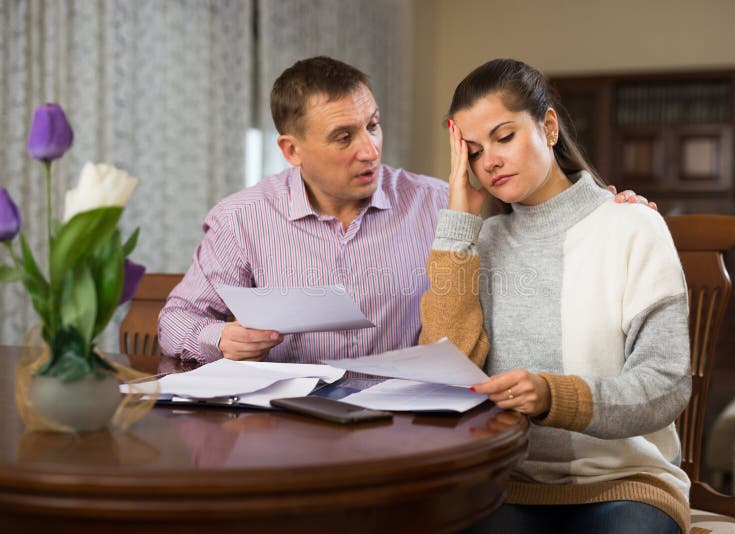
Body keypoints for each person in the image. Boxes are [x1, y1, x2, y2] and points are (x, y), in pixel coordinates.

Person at [158, 56, 654, 365]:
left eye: (372, 125)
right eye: (344, 137)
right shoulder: (241, 219)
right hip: (283, 433)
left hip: (404, 430)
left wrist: (609, 212)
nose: (370, 149)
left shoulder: (443, 204)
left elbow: (540, 222)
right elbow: (176, 320)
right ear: (291, 150)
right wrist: (220, 337)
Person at [419, 58, 691, 534]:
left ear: (548, 127)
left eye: (504, 137)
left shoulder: (632, 225)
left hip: (624, 483)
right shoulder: (479, 245)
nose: (491, 161)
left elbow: (666, 385)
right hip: (506, 483)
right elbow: (440, 375)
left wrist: (552, 396)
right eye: (475, 152)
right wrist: (459, 223)